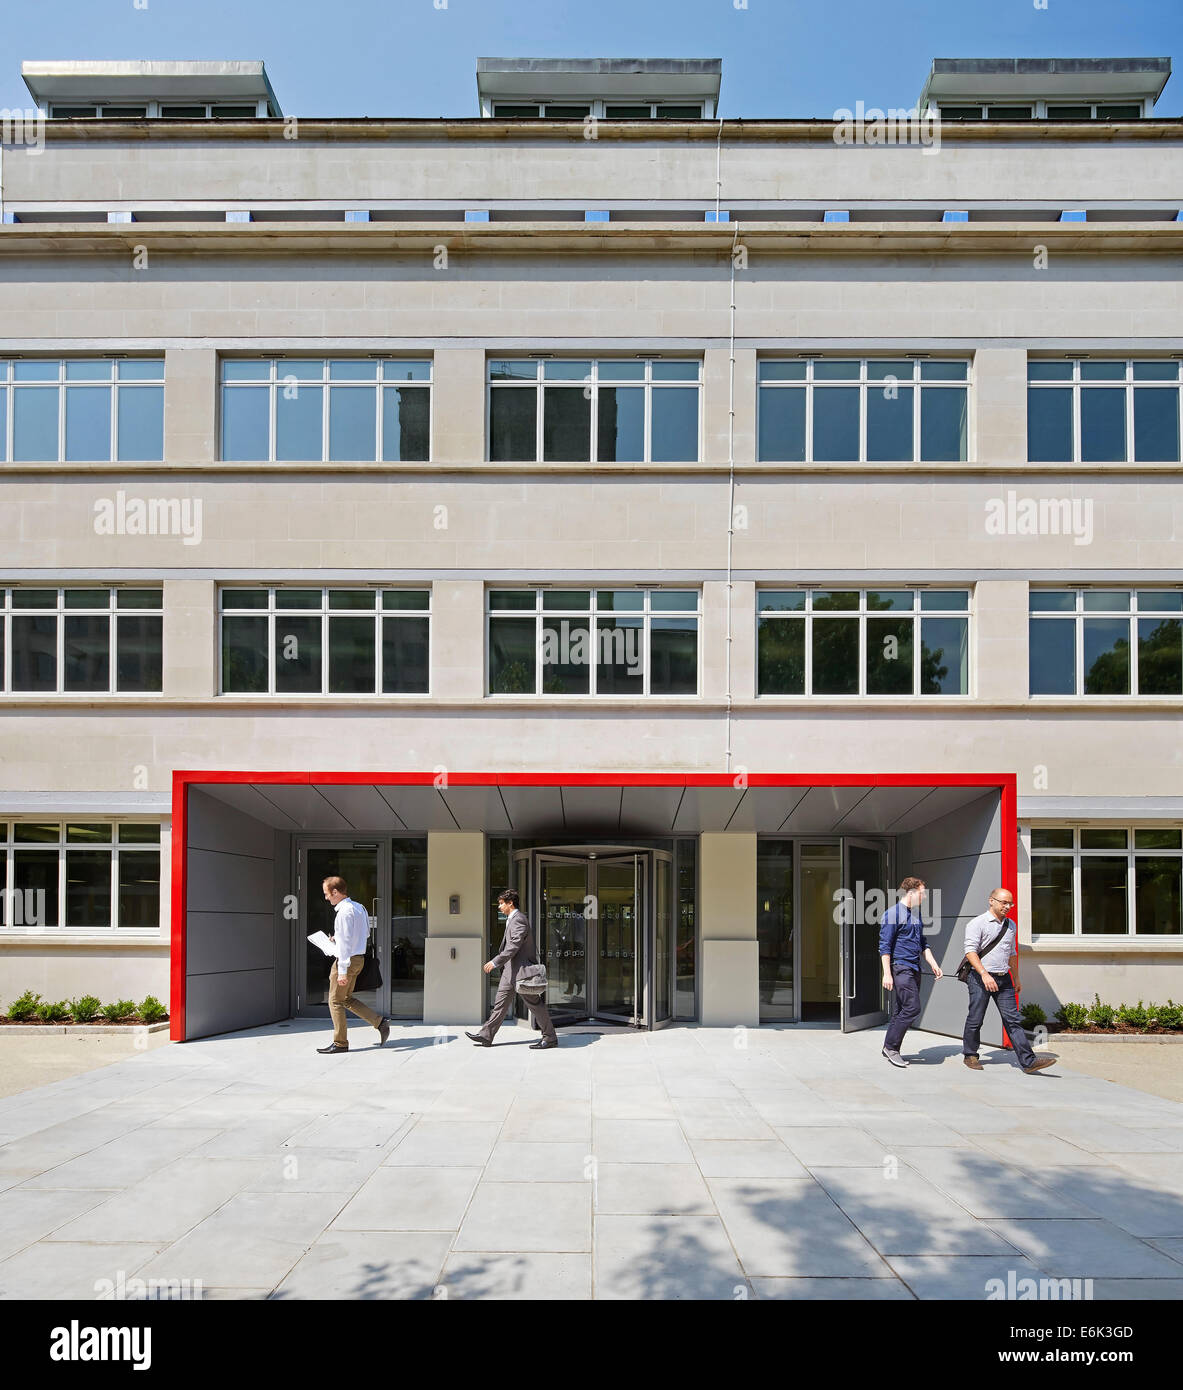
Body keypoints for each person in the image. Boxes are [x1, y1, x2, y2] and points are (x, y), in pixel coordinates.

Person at [962, 888, 1056, 1075]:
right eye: (1004, 902)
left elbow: (1011, 953)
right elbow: (970, 952)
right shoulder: (977, 923)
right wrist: (984, 974)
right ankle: (970, 1054)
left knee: (1012, 1020)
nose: (1007, 906)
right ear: (991, 901)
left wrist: (1016, 977)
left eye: (1010, 903)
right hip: (980, 978)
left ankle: (1029, 1062)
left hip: (1004, 978)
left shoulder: (1010, 925)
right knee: (976, 1018)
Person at [466, 889, 558, 1050]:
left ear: (510, 903)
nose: (499, 907)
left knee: (535, 1004)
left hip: (521, 971)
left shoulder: (518, 920)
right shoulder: (512, 919)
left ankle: (550, 1038)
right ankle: (486, 1035)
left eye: (501, 903)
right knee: (500, 1005)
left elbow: (514, 945)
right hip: (510, 971)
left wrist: (496, 962)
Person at [316, 876, 389, 1055]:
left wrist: (342, 970)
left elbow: (346, 944)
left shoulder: (343, 912)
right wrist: (337, 940)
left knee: (335, 1001)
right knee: (345, 999)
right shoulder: (359, 907)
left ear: (335, 892)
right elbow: (363, 935)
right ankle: (379, 1022)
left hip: (346, 961)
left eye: (327, 894)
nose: (326, 898)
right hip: (358, 959)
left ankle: (340, 1043)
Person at [879, 876, 943, 1067]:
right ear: (912, 892)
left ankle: (888, 1046)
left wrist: (933, 963)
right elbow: (885, 946)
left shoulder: (916, 914)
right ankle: (892, 1047)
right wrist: (887, 973)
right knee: (912, 1007)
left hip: (915, 967)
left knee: (901, 1009)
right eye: (922, 893)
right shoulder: (892, 914)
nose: (924, 897)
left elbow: (923, 942)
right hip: (900, 967)